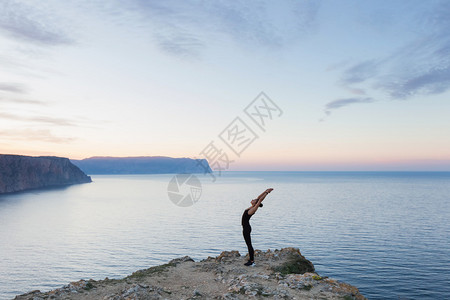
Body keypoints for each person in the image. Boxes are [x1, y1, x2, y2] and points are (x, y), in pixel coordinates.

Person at [241, 188, 274, 266]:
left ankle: (251, 261)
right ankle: (251, 259)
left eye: (254, 200)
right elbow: (259, 198)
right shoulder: (252, 206)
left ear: (256, 203)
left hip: (246, 229)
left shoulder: (253, 209)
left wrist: (266, 193)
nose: (252, 199)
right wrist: (265, 190)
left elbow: (259, 200)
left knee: (249, 244)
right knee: (248, 244)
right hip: (246, 228)